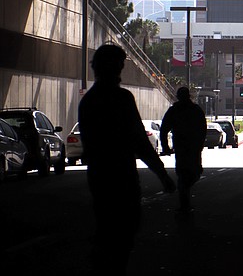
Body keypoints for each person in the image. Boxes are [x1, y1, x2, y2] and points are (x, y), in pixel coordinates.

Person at [78, 44, 176, 276]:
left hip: (99, 176)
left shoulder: (89, 101)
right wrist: (161, 174)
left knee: (107, 228)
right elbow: (139, 142)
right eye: (119, 65)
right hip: (122, 175)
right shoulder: (121, 98)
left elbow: (90, 146)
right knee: (124, 230)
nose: (121, 71)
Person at [159, 86, 207, 213]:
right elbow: (202, 129)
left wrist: (165, 146)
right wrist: (200, 144)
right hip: (192, 147)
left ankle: (183, 195)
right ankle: (184, 199)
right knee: (194, 171)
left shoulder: (174, 111)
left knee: (183, 173)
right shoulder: (196, 110)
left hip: (182, 147)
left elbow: (164, 129)